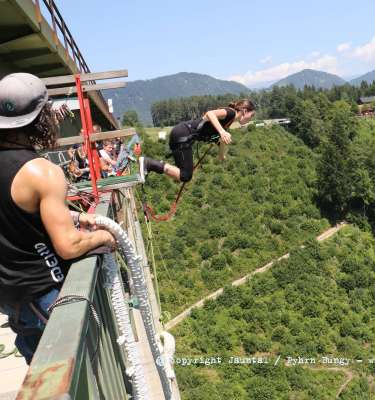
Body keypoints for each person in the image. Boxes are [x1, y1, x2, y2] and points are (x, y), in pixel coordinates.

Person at [0, 73, 116, 364]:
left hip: (10, 297)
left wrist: (72, 215)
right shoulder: (42, 171)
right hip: (44, 292)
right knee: (79, 370)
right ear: (41, 117)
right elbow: (68, 246)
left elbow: (13, 211)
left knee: (43, 373)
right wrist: (103, 236)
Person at [139, 99, 255, 183]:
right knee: (185, 175)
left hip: (182, 134)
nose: (251, 119)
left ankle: (151, 165)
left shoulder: (227, 123)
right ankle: (149, 163)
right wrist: (222, 132)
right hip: (183, 134)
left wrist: (222, 153)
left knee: (184, 175)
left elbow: (219, 142)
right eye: (251, 115)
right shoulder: (230, 113)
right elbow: (210, 113)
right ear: (245, 111)